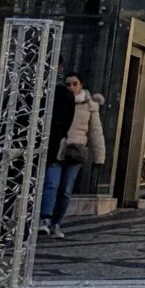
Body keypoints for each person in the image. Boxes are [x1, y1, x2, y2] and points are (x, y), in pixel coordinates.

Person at [40, 72, 105, 237]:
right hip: (57, 148)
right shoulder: (58, 101)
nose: (71, 87)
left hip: (75, 152)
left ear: (81, 85)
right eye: (68, 84)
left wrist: (99, 158)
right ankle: (44, 220)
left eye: (74, 84)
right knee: (51, 184)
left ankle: (56, 224)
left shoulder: (90, 105)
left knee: (65, 190)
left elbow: (96, 133)